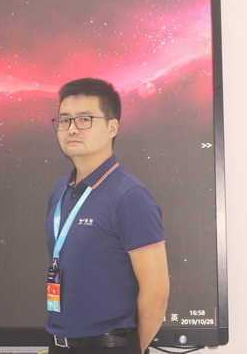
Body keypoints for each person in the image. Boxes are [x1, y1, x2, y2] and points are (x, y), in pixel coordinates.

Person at [45, 78, 170, 354]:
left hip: (109, 345)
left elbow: (157, 291)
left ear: (112, 127)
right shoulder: (60, 191)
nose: (72, 128)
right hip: (58, 343)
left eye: (84, 119)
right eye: (64, 120)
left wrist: (131, 349)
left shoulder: (129, 195)